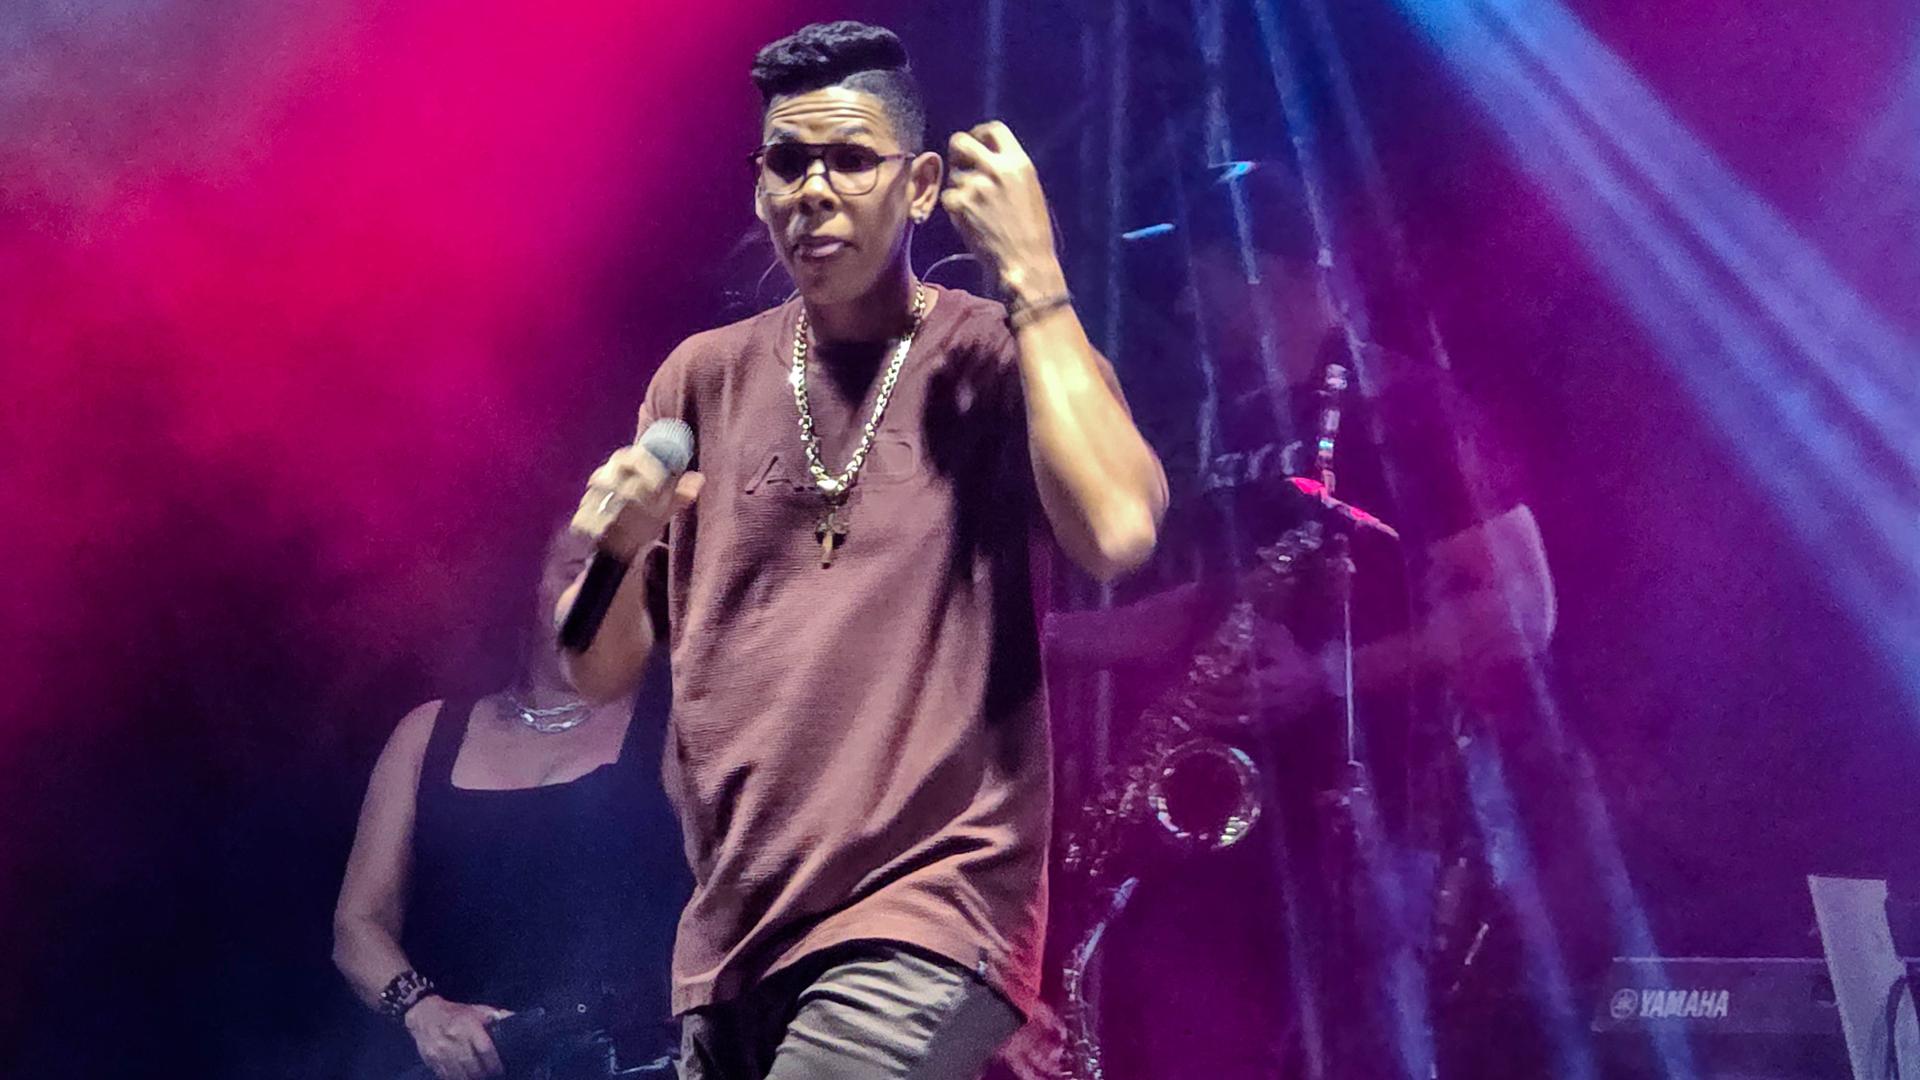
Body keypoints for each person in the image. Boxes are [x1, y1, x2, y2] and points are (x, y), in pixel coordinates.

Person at [554, 20, 1166, 1080]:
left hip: (928, 913)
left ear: (920, 185)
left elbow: (1117, 530)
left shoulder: (993, 352)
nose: (813, 190)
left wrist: (1034, 276)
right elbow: (594, 671)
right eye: (787, 162)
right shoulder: (700, 377)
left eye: (849, 159)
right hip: (733, 936)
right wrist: (616, 548)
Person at [1024, 166, 1557, 1080]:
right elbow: (1207, 609)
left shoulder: (1406, 405)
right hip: (1236, 835)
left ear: (1255, 266)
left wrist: (1327, 678)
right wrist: (1037, 642)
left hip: (1371, 824)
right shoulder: (1238, 424)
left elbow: (1523, 607)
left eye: (1196, 272)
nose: (1183, 302)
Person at [335, 530, 687, 1080]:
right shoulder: (428, 734)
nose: (599, 591)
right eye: (576, 569)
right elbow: (358, 924)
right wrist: (426, 1011)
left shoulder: (670, 727)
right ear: (527, 589)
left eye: (621, 579)